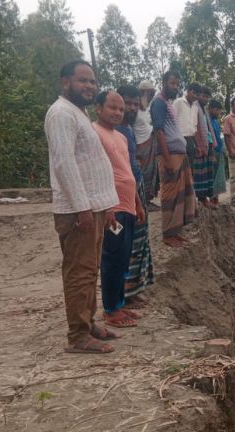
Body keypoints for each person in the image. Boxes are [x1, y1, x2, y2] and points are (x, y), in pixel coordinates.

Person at [44, 60, 119, 354]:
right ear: (66, 82)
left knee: (89, 270)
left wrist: (105, 206)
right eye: (83, 80)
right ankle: (77, 336)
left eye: (92, 81)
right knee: (79, 272)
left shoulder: (78, 113)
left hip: (91, 207)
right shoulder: (61, 114)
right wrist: (82, 208)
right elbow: (64, 163)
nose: (89, 86)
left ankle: (88, 324)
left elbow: (89, 163)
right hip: (78, 211)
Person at [93, 90, 145, 329]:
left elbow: (127, 172)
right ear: (98, 108)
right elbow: (95, 173)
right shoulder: (94, 133)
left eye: (121, 109)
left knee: (124, 258)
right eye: (112, 107)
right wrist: (106, 207)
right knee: (112, 258)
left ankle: (119, 303)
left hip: (128, 206)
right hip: (112, 207)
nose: (117, 112)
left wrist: (138, 204)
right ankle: (111, 310)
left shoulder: (121, 137)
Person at [116, 84, 154, 308]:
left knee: (140, 239)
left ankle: (134, 289)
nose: (131, 108)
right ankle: (124, 293)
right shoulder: (114, 131)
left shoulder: (128, 129)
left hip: (135, 186)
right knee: (126, 243)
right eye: (126, 103)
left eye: (134, 104)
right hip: (122, 194)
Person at [153, 70, 197, 247]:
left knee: (180, 195)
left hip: (179, 154)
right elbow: (159, 131)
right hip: (170, 155)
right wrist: (167, 158)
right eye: (172, 83)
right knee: (170, 195)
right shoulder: (158, 103)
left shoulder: (168, 103)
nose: (175, 87)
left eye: (177, 84)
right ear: (163, 82)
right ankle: (167, 234)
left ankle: (175, 231)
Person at [135, 80, 159, 208]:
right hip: (140, 146)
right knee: (142, 173)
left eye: (152, 94)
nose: (150, 96)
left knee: (151, 173)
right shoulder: (134, 109)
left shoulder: (148, 109)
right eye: (149, 93)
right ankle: (140, 200)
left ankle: (148, 200)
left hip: (151, 144)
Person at [191, 86, 214, 204]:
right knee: (200, 172)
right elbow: (194, 128)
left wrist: (212, 143)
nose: (205, 98)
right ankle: (201, 198)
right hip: (199, 145)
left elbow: (208, 128)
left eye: (207, 97)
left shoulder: (204, 109)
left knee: (207, 171)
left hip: (207, 143)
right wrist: (198, 145)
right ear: (199, 95)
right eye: (203, 96)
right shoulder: (195, 107)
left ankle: (206, 197)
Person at [173, 83, 200, 167]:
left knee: (189, 168)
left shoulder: (195, 108)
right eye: (194, 93)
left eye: (197, 95)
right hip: (178, 140)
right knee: (178, 168)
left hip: (190, 141)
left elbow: (194, 128)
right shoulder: (178, 102)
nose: (195, 96)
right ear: (188, 91)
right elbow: (172, 122)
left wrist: (197, 145)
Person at [208, 99, 227, 203]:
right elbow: (208, 138)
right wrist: (211, 152)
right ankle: (212, 197)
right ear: (211, 108)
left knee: (219, 175)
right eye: (217, 110)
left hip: (219, 150)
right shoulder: (207, 121)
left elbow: (218, 136)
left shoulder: (215, 121)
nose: (219, 113)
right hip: (212, 151)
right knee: (212, 174)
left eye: (219, 110)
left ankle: (216, 196)